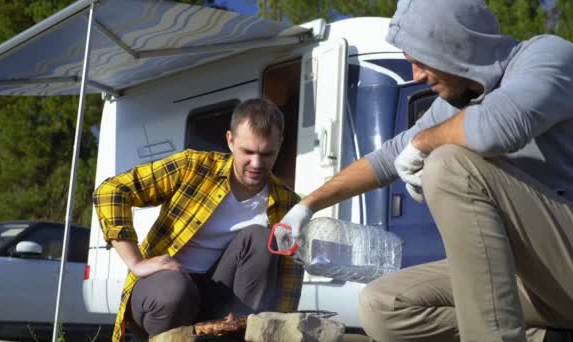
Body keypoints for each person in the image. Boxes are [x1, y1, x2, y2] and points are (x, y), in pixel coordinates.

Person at [277, 0, 573, 341]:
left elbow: (496, 128)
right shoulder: (455, 104)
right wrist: (306, 206)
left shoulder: (548, 57)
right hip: (533, 286)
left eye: (420, 61)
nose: (416, 76)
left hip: (565, 267)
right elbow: (385, 159)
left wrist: (422, 145)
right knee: (382, 305)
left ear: (454, 46)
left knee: (449, 166)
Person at [93, 98, 303, 342]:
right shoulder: (193, 167)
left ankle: (237, 336)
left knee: (261, 238)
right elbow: (110, 191)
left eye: (267, 154)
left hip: (221, 302)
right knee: (176, 291)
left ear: (280, 145)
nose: (256, 164)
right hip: (166, 292)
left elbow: (289, 277)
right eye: (248, 152)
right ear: (230, 141)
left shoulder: (288, 203)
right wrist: (136, 262)